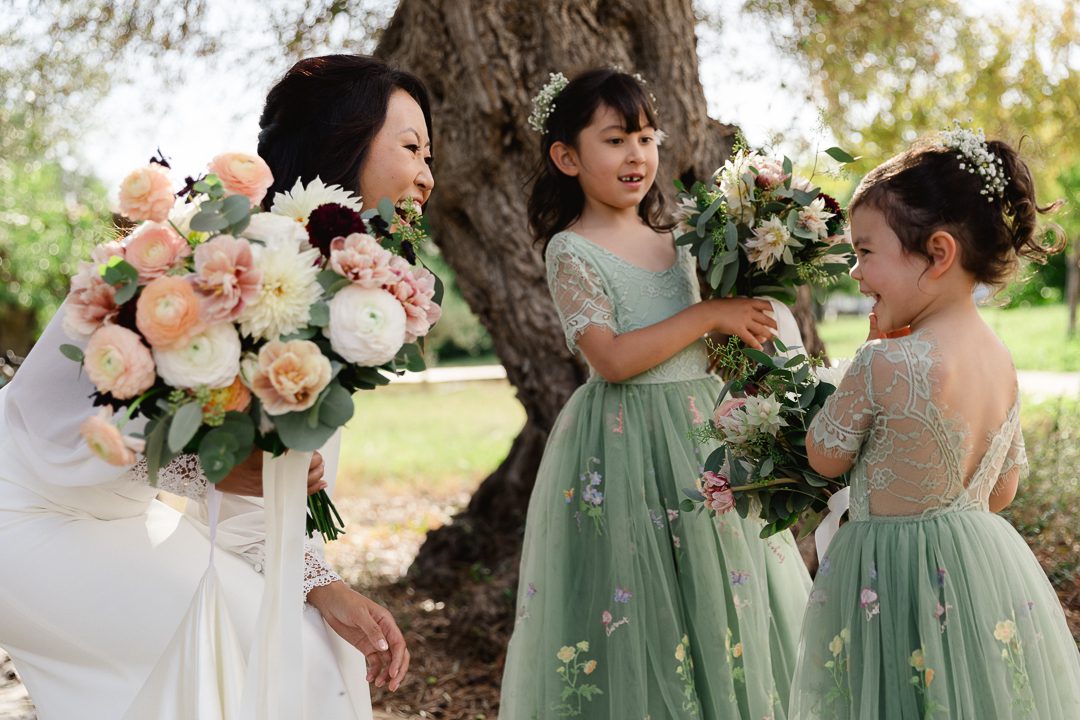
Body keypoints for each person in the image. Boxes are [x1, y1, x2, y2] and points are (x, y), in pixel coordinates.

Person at [0, 54, 432, 719]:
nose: (427, 175)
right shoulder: (201, 251)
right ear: (343, 140)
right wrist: (216, 466)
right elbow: (60, 419)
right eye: (411, 148)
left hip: (114, 517)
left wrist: (323, 584)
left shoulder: (332, 286)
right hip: (24, 511)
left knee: (317, 649)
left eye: (430, 155)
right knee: (262, 651)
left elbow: (251, 507)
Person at [498, 68, 812, 719]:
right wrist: (708, 315)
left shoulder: (681, 239)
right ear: (567, 157)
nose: (636, 154)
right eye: (614, 140)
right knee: (644, 594)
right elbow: (612, 358)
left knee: (721, 582)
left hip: (704, 434)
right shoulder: (572, 250)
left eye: (645, 138)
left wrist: (741, 329)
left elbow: (704, 348)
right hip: (628, 444)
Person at [788, 127, 1080, 718]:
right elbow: (1001, 491)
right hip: (978, 574)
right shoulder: (1001, 359)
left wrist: (866, 357)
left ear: (938, 254)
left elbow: (824, 456)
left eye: (866, 252)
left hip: (889, 582)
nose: (856, 272)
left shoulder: (884, 362)